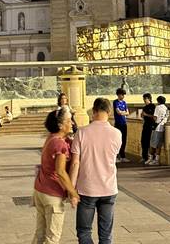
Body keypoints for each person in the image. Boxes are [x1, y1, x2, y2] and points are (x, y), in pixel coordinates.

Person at [70, 97, 122, 244]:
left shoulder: (81, 133)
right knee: (106, 235)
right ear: (109, 111)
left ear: (93, 111)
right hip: (109, 188)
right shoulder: (117, 134)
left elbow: (75, 163)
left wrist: (72, 190)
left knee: (84, 232)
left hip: (87, 188)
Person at [32, 107, 79, 244]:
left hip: (40, 190)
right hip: (52, 194)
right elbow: (60, 171)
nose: (72, 123)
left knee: (40, 233)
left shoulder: (52, 138)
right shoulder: (59, 144)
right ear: (60, 124)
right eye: (69, 121)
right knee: (52, 237)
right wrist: (73, 192)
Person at [147, 95, 169, 166]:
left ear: (158, 101)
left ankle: (151, 158)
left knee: (152, 144)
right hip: (162, 128)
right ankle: (156, 159)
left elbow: (155, 118)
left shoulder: (158, 107)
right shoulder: (166, 108)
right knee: (158, 145)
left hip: (156, 127)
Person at [113, 88, 130, 162]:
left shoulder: (124, 103)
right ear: (118, 95)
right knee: (117, 140)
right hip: (118, 123)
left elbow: (128, 113)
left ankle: (123, 156)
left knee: (124, 140)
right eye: (121, 95)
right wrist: (123, 112)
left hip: (124, 123)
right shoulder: (115, 102)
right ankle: (116, 156)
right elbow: (118, 112)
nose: (122, 96)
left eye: (123, 95)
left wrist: (122, 112)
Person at [141, 93, 156, 164]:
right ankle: (144, 156)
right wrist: (142, 115)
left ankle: (152, 157)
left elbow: (154, 116)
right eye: (143, 99)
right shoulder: (144, 107)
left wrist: (146, 114)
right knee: (143, 141)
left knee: (150, 141)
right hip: (145, 125)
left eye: (145, 99)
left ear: (149, 99)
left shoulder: (153, 106)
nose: (144, 100)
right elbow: (143, 116)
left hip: (150, 126)